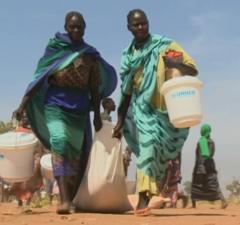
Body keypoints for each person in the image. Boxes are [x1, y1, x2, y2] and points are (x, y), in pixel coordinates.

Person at [13, 11, 117, 214]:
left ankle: (72, 197)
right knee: (59, 142)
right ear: (66, 27)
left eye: (79, 27)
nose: (75, 30)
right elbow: (40, 77)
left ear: (84, 29)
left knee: (75, 155)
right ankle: (64, 200)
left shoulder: (90, 56)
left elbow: (94, 89)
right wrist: (23, 104)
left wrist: (96, 115)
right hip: (55, 106)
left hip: (79, 111)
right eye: (72, 27)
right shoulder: (55, 49)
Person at [112, 9, 198, 215]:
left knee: (159, 156)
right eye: (136, 25)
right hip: (142, 110)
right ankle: (142, 200)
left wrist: (175, 64)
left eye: (144, 23)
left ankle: (152, 191)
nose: (141, 27)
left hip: (167, 111)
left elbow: (193, 69)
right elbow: (126, 92)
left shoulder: (165, 45)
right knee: (148, 146)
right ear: (129, 28)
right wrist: (120, 121)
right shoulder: (128, 56)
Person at [190, 124, 228, 209]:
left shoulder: (202, 141)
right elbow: (210, 154)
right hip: (210, 165)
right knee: (213, 184)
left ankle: (193, 204)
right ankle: (223, 200)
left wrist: (201, 163)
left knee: (196, 184)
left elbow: (205, 154)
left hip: (201, 165)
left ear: (202, 131)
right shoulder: (212, 141)